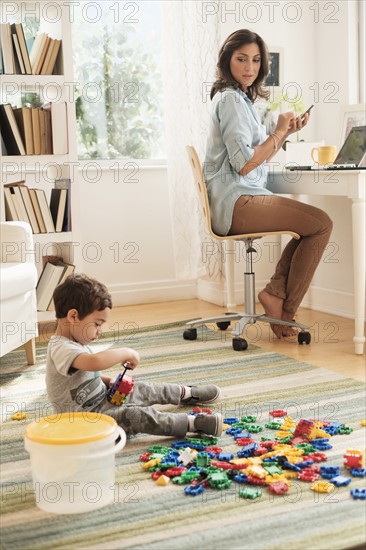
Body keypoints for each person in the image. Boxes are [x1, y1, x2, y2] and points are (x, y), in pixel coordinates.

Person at [204, 29, 333, 339]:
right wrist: (278, 130)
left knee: (311, 226)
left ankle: (276, 294)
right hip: (238, 202)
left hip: (235, 200)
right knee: (322, 224)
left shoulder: (240, 100)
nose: (250, 67)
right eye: (242, 59)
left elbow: (255, 155)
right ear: (227, 62)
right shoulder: (232, 101)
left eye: (256, 60)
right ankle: (284, 312)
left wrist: (285, 132)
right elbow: (245, 163)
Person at [46, 273, 222, 438]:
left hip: (102, 398)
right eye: (97, 324)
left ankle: (187, 393)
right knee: (136, 415)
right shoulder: (60, 347)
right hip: (87, 421)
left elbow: (88, 375)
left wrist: (108, 382)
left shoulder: (76, 343)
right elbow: (94, 363)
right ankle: (193, 424)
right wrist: (127, 352)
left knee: (143, 389)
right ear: (73, 316)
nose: (99, 331)